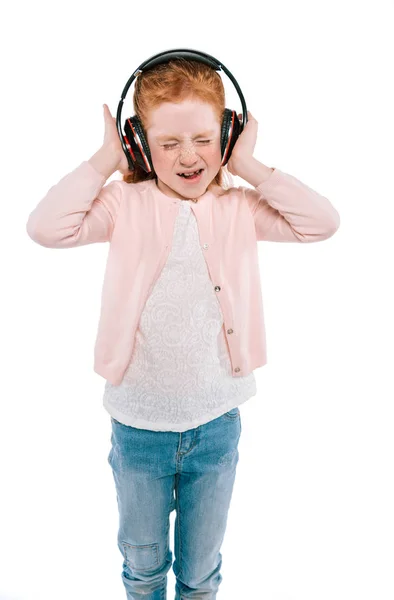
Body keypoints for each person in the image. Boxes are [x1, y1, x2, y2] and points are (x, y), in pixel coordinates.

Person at [26, 58, 340, 599]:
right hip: (138, 426)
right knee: (143, 567)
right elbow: (46, 228)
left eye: (203, 138)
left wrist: (252, 167)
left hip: (217, 424)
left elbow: (322, 222)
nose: (189, 156)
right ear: (139, 145)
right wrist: (104, 161)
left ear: (227, 135)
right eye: (168, 142)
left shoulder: (239, 207)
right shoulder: (125, 204)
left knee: (200, 573)